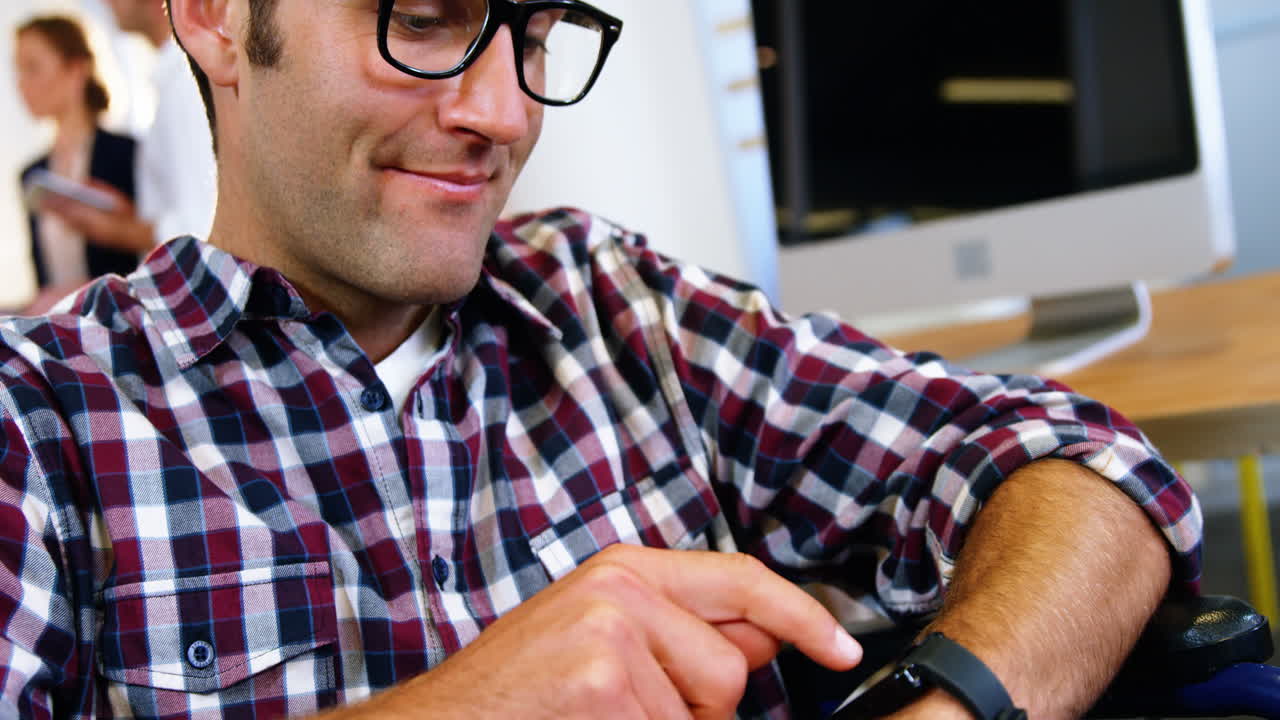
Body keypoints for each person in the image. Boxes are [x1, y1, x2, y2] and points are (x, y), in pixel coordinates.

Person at [0, 1, 1200, 718]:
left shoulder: (608, 305)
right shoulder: (42, 415)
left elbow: (1077, 465)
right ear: (212, 14)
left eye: (533, 34)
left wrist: (950, 706)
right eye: (424, 18)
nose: (505, 111)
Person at [35, 0, 217, 264]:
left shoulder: (188, 85)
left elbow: (203, 224)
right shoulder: (168, 83)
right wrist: (127, 218)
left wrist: (121, 230)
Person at [13, 15, 140, 315]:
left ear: (76, 70)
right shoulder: (32, 174)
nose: (21, 84)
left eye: (32, 67)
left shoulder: (126, 154)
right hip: (59, 334)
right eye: (18, 70)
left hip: (121, 326)